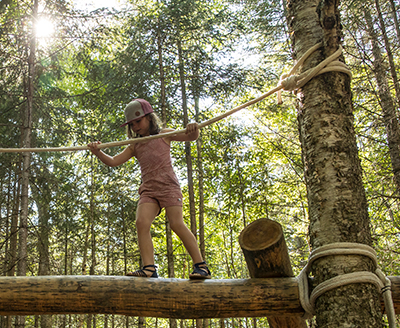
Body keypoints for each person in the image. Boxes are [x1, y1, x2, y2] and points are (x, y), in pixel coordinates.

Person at [88, 98, 211, 279]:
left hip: (168, 186)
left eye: (138, 121)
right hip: (149, 190)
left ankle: (201, 267)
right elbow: (114, 162)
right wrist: (98, 152)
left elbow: (190, 137)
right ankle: (149, 268)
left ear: (149, 117)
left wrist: (194, 128)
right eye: (132, 124)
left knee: (176, 223)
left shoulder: (164, 134)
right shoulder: (135, 145)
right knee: (141, 222)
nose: (135, 126)